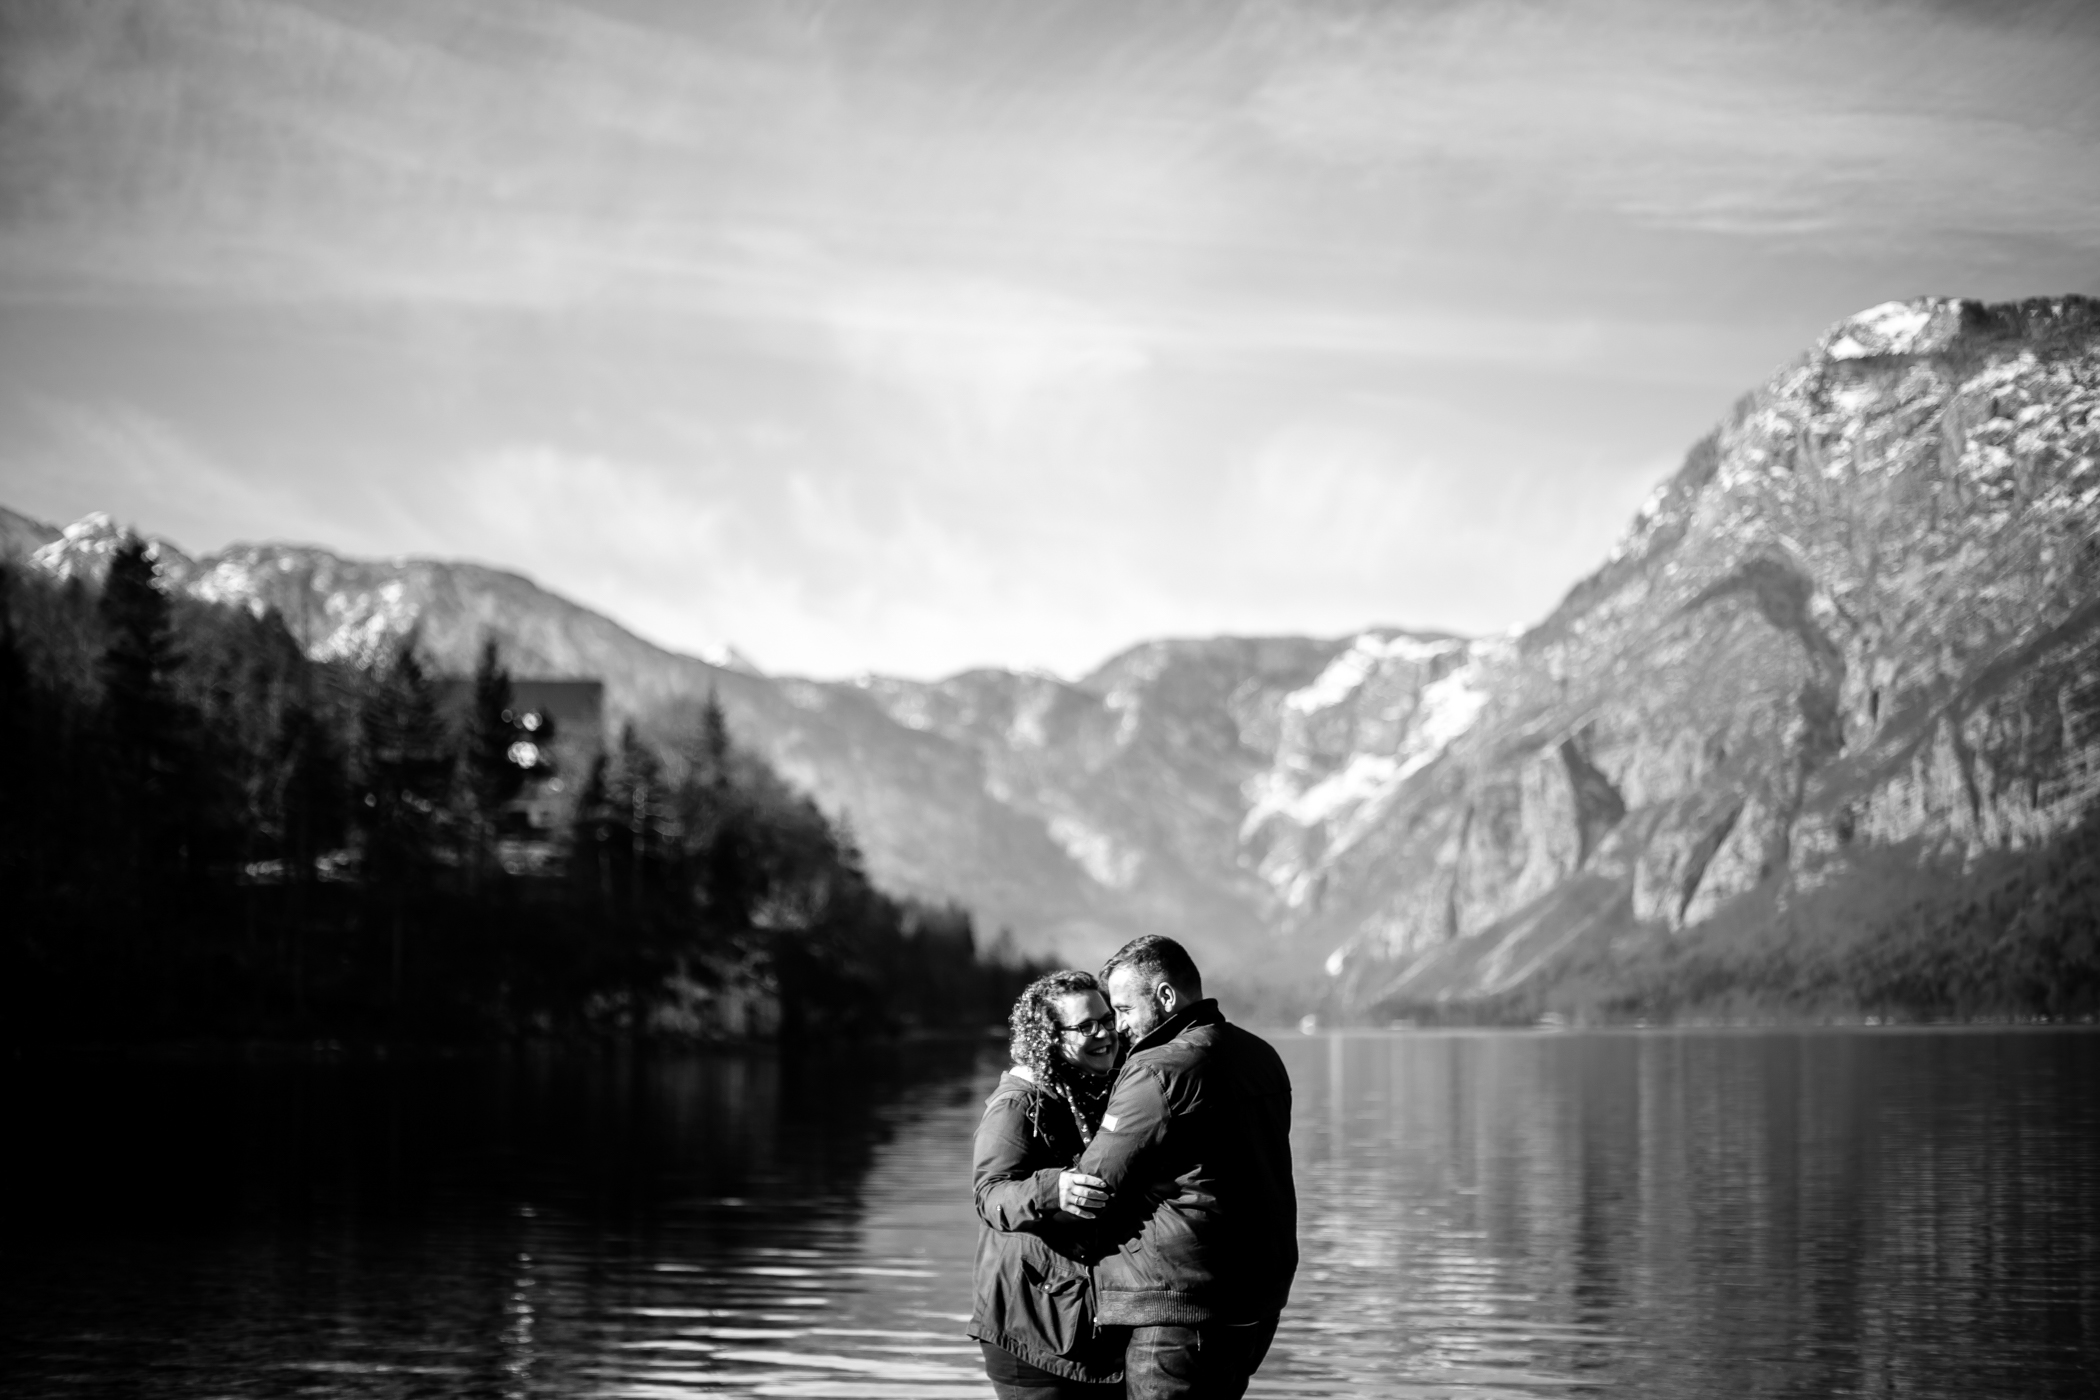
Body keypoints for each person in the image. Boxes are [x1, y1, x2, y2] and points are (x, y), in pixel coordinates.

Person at [1075, 935, 1297, 1400]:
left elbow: (1096, 1180)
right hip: (1255, 1301)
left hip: (1179, 1304)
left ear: (1165, 997)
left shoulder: (1157, 1069)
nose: (1118, 1026)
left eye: (1124, 1009)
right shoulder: (1262, 1057)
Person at [969, 970, 1128, 1399]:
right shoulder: (1016, 1104)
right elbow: (990, 1195)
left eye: (1108, 1019)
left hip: (1076, 1326)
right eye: (1086, 1026)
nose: (1104, 1034)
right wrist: (1053, 1189)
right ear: (1049, 1037)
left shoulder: (1095, 1090)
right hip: (1029, 1333)